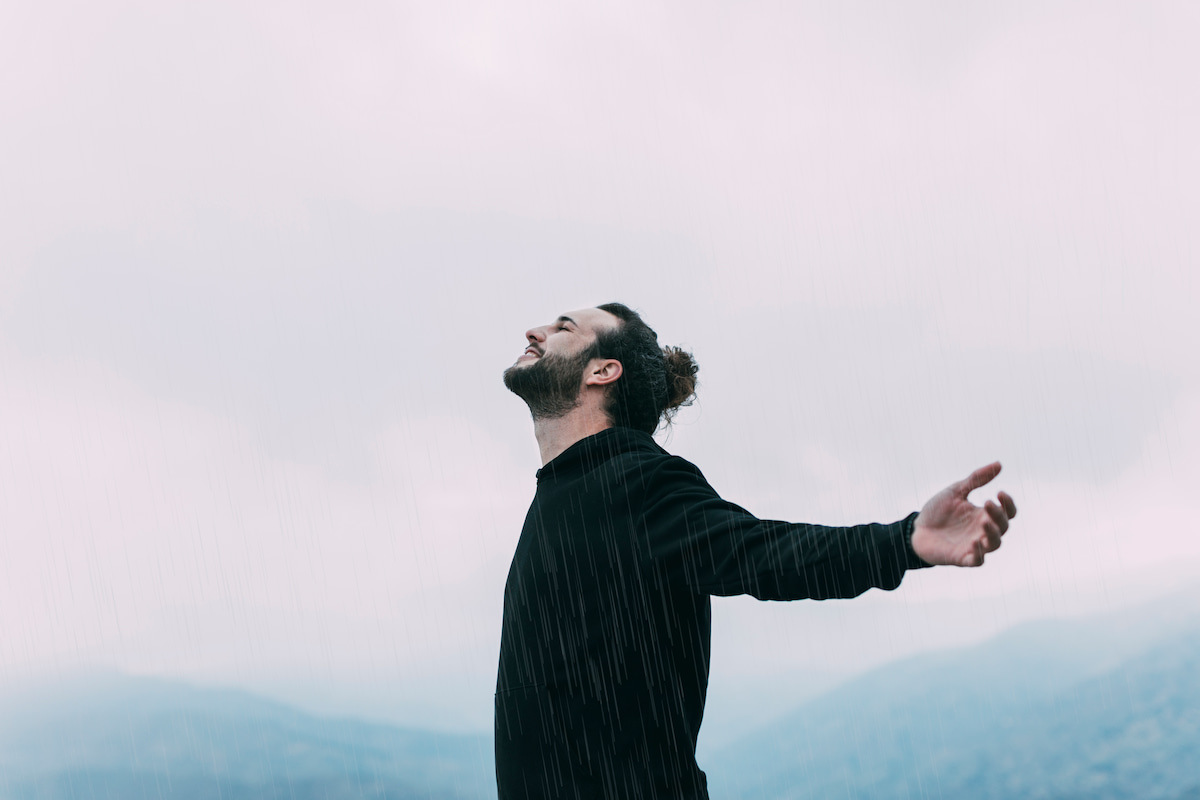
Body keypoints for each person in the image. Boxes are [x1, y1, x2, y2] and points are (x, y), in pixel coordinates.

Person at [495, 303, 1017, 800]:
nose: (535, 332)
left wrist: (904, 542)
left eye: (563, 327)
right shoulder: (560, 490)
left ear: (603, 371)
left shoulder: (640, 483)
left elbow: (765, 554)